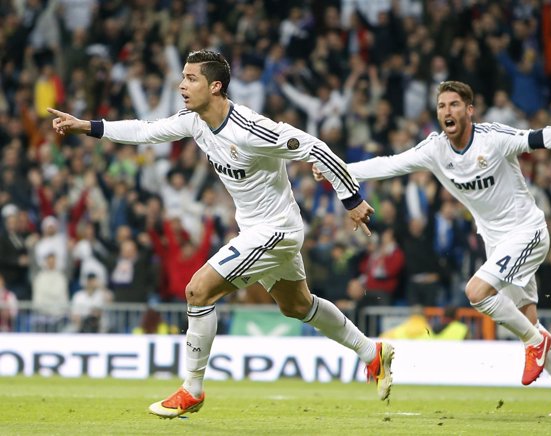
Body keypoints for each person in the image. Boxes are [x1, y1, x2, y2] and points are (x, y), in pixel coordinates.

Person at [48, 49, 394, 419]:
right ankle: (372, 353)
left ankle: (192, 389)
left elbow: (316, 147)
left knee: (198, 290)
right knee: (297, 305)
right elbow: (146, 131)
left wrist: (352, 198)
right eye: (182, 77)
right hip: (258, 230)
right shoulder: (195, 121)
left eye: (191, 78)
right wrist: (86, 125)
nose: (182, 85)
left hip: (276, 230)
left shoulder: (251, 129)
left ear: (215, 86)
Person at [316, 81, 551, 416]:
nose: (447, 111)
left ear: (469, 110)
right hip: (497, 242)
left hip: (526, 231)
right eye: (442, 105)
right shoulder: (436, 149)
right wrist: (337, 170)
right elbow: (389, 164)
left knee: (477, 292)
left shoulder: (494, 138)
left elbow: (540, 137)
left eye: (455, 104)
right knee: (527, 320)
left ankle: (537, 344)